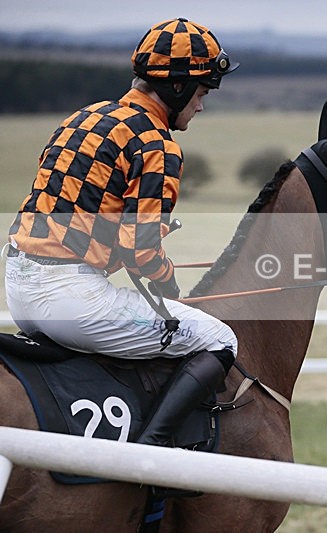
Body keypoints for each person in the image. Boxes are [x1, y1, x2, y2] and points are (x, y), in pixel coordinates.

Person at [4, 18, 239, 447]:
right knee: (220, 338)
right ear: (178, 87)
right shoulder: (158, 144)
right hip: (71, 299)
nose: (202, 106)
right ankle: (152, 451)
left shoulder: (84, 116)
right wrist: (168, 282)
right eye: (203, 93)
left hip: (18, 289)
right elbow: (141, 249)